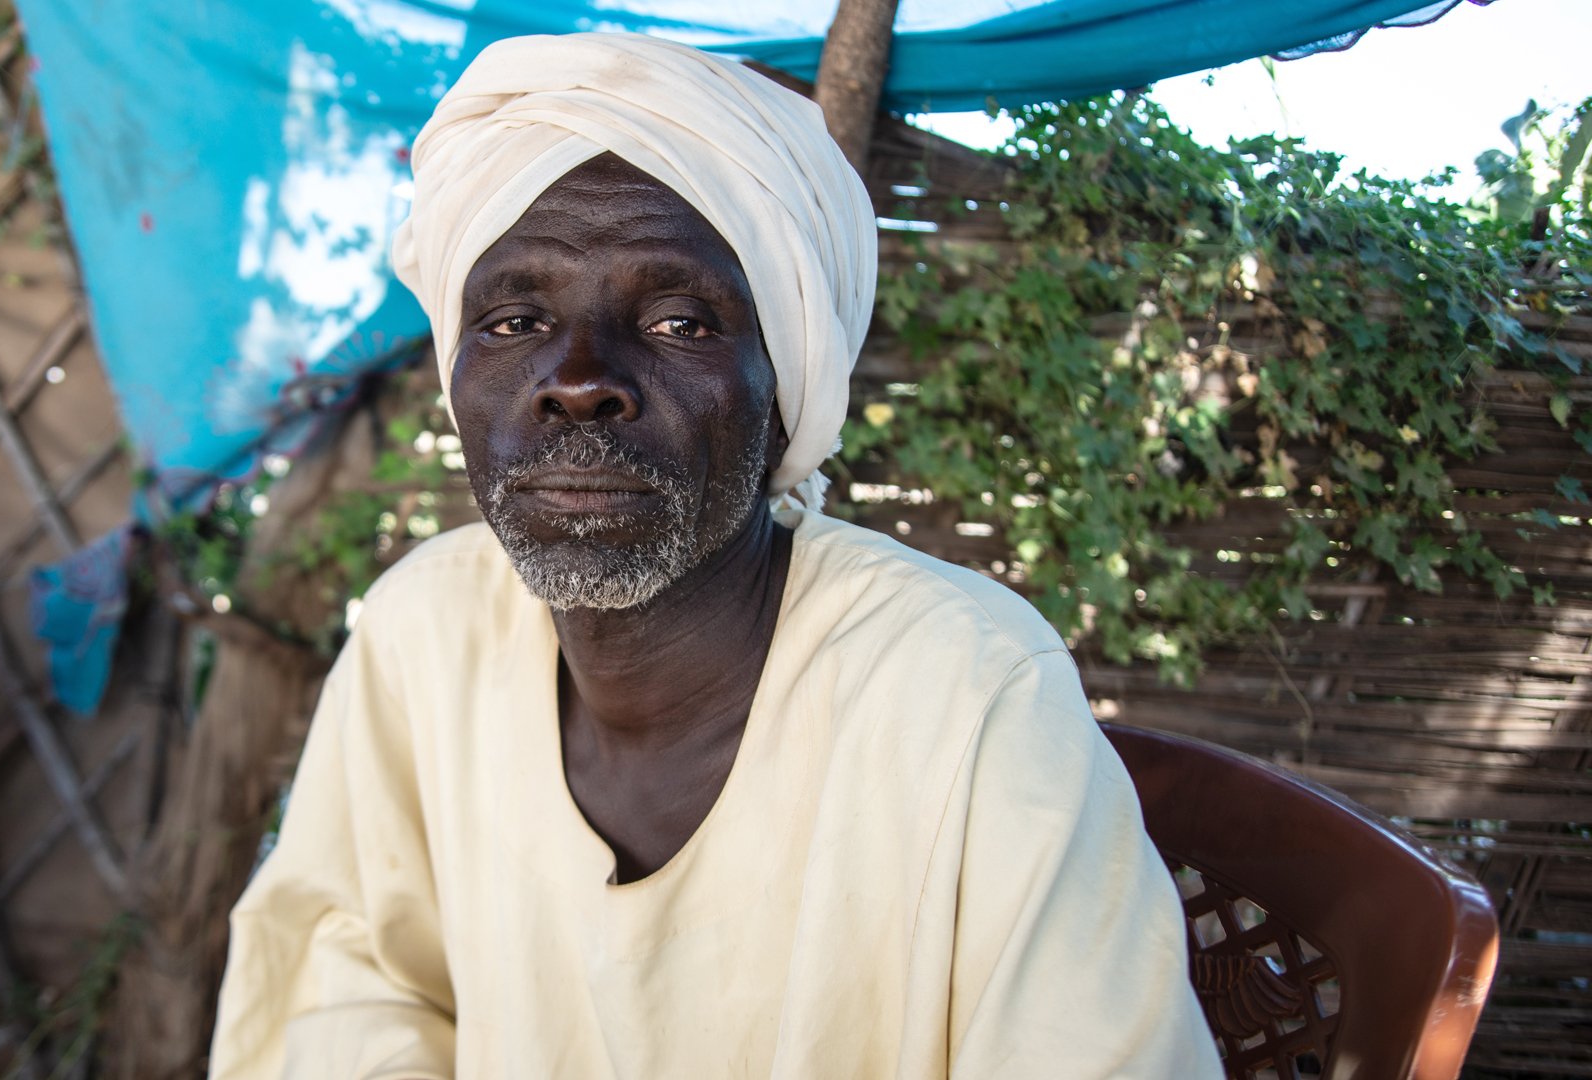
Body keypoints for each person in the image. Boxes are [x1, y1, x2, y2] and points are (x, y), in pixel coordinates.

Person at [210, 32, 1221, 1079]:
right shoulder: (425, 638)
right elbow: (353, 984)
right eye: (515, 318)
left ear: (787, 399)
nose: (578, 378)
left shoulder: (965, 698)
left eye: (680, 320)